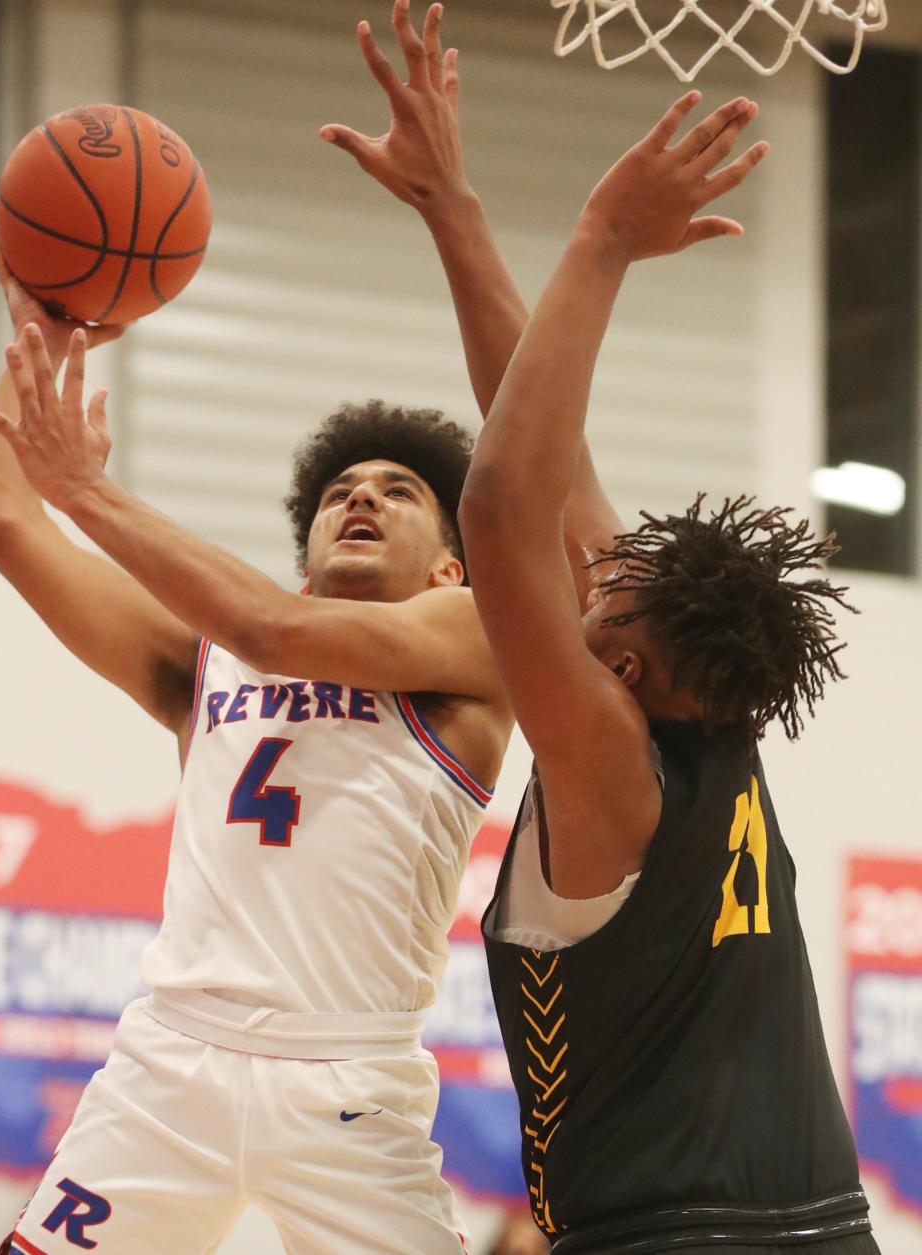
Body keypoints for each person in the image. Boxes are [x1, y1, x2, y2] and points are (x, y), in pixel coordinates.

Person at [0, 5, 537, 1250]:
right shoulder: (207, 655)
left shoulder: (476, 647)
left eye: (396, 490)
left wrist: (91, 491)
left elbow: (273, 624)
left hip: (346, 1081)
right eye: (340, 488)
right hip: (168, 1062)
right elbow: (1, 522)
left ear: (452, 559)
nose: (359, 495)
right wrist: (48, 330)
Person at [458, 93, 879, 1253]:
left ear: (621, 664)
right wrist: (454, 212)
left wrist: (603, 238)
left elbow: (500, 506)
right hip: (829, 1224)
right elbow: (545, 445)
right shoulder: (712, 722)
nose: (587, 570)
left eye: (599, 591)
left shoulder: (610, 766)